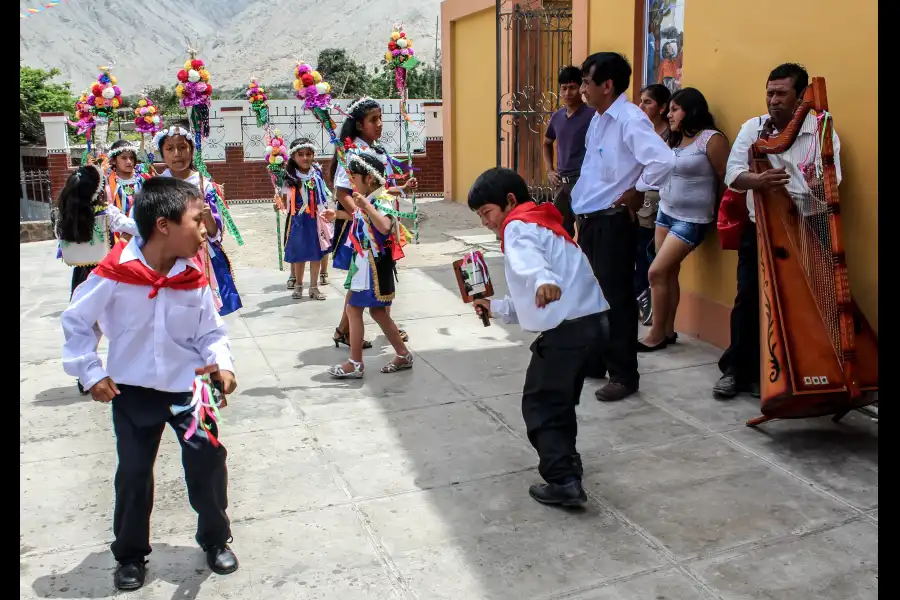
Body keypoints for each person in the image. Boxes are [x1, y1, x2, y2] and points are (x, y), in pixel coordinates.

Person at [61, 177, 239, 591]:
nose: (203, 229)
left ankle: (215, 538)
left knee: (207, 457)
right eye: (197, 220)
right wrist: (91, 371)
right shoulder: (114, 274)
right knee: (135, 471)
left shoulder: (191, 277)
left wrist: (222, 364)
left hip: (188, 387)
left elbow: (211, 331)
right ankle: (130, 553)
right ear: (164, 225)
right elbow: (76, 320)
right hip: (133, 388)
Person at [467, 167, 609, 507]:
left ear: (510, 201)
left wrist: (544, 279)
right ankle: (568, 465)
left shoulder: (518, 226)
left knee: (541, 404)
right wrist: (493, 306)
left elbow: (533, 266)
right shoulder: (544, 224)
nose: (485, 221)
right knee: (558, 402)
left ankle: (564, 481)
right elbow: (528, 300)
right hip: (594, 325)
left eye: (486, 212)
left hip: (568, 331)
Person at [714, 63, 841, 399]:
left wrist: (808, 184)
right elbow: (732, 174)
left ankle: (799, 372)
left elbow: (833, 183)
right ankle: (736, 371)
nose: (773, 100)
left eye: (781, 93)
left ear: (800, 97)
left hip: (811, 225)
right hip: (761, 229)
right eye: (769, 93)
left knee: (809, 302)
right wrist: (759, 181)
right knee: (749, 299)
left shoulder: (821, 131)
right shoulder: (752, 128)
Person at [570, 52, 674, 402]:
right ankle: (597, 359)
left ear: (607, 85)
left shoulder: (630, 119)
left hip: (613, 221)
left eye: (586, 82)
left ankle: (624, 374)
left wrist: (638, 190)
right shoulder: (599, 119)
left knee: (615, 298)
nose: (582, 89)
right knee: (591, 293)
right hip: (591, 217)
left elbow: (663, 160)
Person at [639, 87, 729, 352]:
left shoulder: (711, 140)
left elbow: (726, 178)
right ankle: (667, 331)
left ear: (691, 110)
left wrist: (719, 213)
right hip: (666, 212)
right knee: (668, 273)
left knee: (655, 271)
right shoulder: (675, 139)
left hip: (692, 220)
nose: (668, 114)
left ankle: (655, 333)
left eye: (675, 109)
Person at [329, 97, 416, 348]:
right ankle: (383, 326)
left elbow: (383, 189)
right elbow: (342, 192)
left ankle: (345, 330)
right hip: (363, 229)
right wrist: (364, 217)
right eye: (372, 120)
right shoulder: (352, 152)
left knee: (364, 278)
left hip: (379, 221)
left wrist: (401, 188)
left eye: (380, 118)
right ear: (358, 125)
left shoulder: (378, 151)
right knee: (365, 275)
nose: (379, 124)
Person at [327, 151, 412, 379]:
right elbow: (359, 219)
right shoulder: (372, 198)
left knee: (355, 309)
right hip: (364, 263)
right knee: (376, 312)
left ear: (370, 179)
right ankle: (402, 354)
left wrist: (365, 205)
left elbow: (384, 226)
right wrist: (335, 214)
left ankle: (356, 362)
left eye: (354, 177)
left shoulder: (383, 199)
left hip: (376, 265)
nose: (352, 182)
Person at [56, 163, 139, 395]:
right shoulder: (105, 211)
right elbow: (132, 226)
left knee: (86, 322)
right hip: (104, 273)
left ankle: (86, 375)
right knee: (115, 322)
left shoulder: (66, 212)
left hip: (81, 273)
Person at [155, 122, 243, 316]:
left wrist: (207, 215)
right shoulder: (156, 187)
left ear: (192, 150)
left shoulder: (205, 186)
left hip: (202, 256)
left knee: (207, 313)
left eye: (183, 147)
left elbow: (214, 234)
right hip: (169, 258)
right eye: (170, 149)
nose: (177, 154)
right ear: (162, 153)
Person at [279, 138, 336, 300]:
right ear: (293, 157)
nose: (305, 158)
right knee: (299, 254)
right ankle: (298, 285)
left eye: (309, 154)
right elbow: (283, 200)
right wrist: (279, 204)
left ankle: (314, 287)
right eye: (301, 154)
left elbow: (322, 196)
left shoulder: (316, 174)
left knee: (315, 254)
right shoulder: (289, 176)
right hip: (298, 221)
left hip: (315, 220)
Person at [543, 66, 596, 238]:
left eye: (572, 87)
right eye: (564, 88)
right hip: (561, 184)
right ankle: (564, 264)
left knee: (586, 230)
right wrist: (550, 170)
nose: (568, 93)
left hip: (583, 182)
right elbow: (546, 142)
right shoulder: (557, 116)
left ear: (581, 88)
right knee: (560, 231)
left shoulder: (592, 114)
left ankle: (585, 263)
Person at [635, 84, 672, 325]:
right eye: (641, 101)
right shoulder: (640, 132)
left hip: (659, 201)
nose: (641, 106)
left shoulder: (670, 135)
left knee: (650, 252)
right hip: (638, 199)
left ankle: (648, 297)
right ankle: (640, 294)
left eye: (647, 102)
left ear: (662, 107)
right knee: (637, 249)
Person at [105, 139, 151, 221]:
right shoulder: (108, 182)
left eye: (131, 158)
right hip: (117, 230)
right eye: (124, 158)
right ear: (114, 161)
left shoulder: (143, 179)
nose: (129, 161)